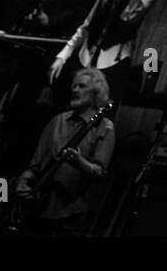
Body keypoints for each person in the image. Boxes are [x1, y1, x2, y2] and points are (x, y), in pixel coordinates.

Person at [50, 0, 161, 105]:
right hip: (86, 56)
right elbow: (88, 23)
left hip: (114, 62)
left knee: (99, 115)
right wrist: (63, 55)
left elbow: (130, 17)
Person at [16, 68, 116, 236]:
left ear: (96, 93)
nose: (75, 90)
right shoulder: (57, 121)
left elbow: (99, 172)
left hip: (71, 215)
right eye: (74, 86)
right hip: (39, 208)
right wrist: (24, 180)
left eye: (82, 86)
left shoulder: (105, 127)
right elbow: (35, 165)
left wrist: (79, 162)